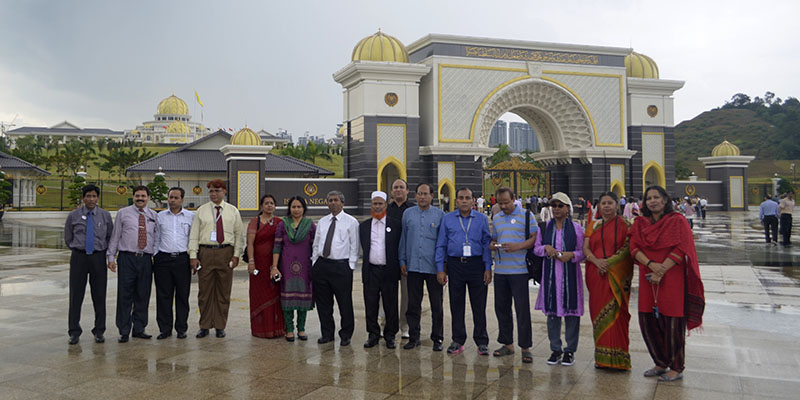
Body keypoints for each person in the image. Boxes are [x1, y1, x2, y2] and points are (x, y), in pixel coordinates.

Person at [630, 185, 704, 382]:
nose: (652, 201)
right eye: (648, 198)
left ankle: (677, 366)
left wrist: (662, 268)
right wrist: (652, 265)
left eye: (656, 197)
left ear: (665, 200)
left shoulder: (677, 221)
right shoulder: (640, 223)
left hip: (672, 278)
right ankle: (660, 362)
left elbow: (683, 246)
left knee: (672, 323)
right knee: (648, 322)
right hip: (648, 278)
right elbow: (633, 247)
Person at [435, 187, 492, 355]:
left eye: (468, 197)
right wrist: (440, 268)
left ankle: (482, 341)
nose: (465, 201)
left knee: (479, 305)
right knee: (456, 303)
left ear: (473, 200)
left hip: (476, 265)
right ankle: (458, 340)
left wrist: (488, 267)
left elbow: (486, 245)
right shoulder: (448, 219)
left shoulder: (481, 219)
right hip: (455, 265)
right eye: (461, 198)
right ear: (456, 201)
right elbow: (441, 244)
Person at [582, 192, 633, 370]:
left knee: (617, 316)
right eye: (603, 203)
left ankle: (620, 359)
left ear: (616, 205)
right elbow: (586, 248)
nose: (606, 206)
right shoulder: (593, 226)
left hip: (616, 275)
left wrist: (608, 263)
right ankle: (602, 359)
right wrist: (597, 262)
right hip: (596, 273)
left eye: (610, 202)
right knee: (598, 313)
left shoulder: (626, 225)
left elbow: (628, 249)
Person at [188, 179, 244, 339]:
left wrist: (236, 255)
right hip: (205, 253)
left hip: (225, 252)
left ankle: (220, 325)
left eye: (217, 191)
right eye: (211, 191)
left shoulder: (233, 211)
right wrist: (193, 256)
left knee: (223, 292)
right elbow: (194, 235)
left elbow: (239, 235)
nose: (214, 194)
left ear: (224, 192)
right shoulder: (201, 211)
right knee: (204, 292)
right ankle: (204, 325)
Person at [534, 192, 584, 366]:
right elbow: (536, 249)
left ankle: (570, 351)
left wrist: (571, 255)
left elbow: (583, 252)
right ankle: (555, 349)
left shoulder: (577, 229)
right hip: (551, 276)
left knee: (572, 315)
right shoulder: (545, 227)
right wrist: (546, 248)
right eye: (553, 205)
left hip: (570, 276)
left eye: (560, 206)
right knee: (553, 314)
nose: (556, 209)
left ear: (568, 209)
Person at [490, 188, 537, 363]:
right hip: (501, 270)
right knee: (502, 308)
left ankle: (525, 347)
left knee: (522, 309)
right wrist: (493, 245)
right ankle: (507, 343)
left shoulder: (526, 216)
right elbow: (494, 239)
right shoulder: (497, 218)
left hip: (519, 270)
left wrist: (518, 246)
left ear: (514, 199)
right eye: (500, 203)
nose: (503, 206)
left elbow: (534, 238)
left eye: (506, 202)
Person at [107, 185, 158, 343]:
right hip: (127, 258)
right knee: (125, 294)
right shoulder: (123, 213)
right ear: (133, 197)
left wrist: (155, 257)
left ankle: (139, 328)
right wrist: (111, 257)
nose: (140, 198)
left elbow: (156, 238)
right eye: (137, 196)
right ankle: (123, 329)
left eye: (143, 196)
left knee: (143, 294)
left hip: (145, 259)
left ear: (148, 198)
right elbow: (115, 236)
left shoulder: (154, 215)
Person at [64, 184, 113, 345]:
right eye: (88, 196)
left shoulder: (105, 216)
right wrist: (78, 248)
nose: (91, 199)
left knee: (99, 295)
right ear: (83, 198)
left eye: (94, 196)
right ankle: (74, 331)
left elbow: (109, 236)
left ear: (98, 198)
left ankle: (99, 330)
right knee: (76, 295)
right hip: (79, 257)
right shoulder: (73, 216)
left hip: (98, 258)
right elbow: (68, 237)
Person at [399, 183, 446, 351]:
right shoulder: (408, 214)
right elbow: (403, 239)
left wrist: (442, 267)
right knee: (413, 304)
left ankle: (437, 338)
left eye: (425, 194)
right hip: (413, 266)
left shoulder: (440, 216)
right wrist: (402, 260)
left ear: (432, 196)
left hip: (433, 267)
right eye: (419, 194)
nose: (422, 197)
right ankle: (414, 336)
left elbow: (443, 243)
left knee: (436, 305)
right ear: (415, 195)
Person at [311, 190, 359, 346]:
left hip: (341, 267)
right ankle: (327, 333)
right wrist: (314, 262)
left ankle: (346, 334)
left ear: (342, 203)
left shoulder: (351, 222)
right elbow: (316, 243)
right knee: (324, 304)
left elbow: (355, 246)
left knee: (344, 303)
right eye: (330, 200)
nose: (333, 202)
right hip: (322, 265)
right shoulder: (322, 221)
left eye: (336, 200)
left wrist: (350, 266)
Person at [360, 191, 403, 348]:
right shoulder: (364, 226)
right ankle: (373, 334)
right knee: (370, 304)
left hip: (389, 270)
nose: (377, 207)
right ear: (371, 205)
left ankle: (390, 335)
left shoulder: (395, 225)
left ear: (386, 205)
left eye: (380, 204)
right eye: (374, 204)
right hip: (371, 271)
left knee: (390, 304)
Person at [152, 187, 195, 340]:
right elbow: (156, 237)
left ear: (182, 199)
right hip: (163, 259)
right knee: (164, 295)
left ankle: (181, 328)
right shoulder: (160, 216)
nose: (173, 200)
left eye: (176, 198)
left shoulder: (190, 216)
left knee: (182, 295)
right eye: (171, 197)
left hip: (182, 259)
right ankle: (165, 328)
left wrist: (192, 257)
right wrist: (156, 254)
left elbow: (192, 238)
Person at [272, 196, 316, 342]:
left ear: (304, 208)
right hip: (286, 266)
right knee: (287, 297)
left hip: (305, 267)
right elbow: (277, 247)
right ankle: (289, 329)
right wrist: (274, 267)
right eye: (293, 207)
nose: (296, 210)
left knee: (303, 296)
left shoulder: (310, 225)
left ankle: (301, 328)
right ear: (289, 209)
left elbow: (315, 247)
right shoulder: (283, 224)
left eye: (299, 207)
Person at [245, 194, 285, 339]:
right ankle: (260, 329)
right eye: (266, 203)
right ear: (261, 206)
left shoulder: (280, 222)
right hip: (258, 265)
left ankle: (277, 329)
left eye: (272, 203)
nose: (269, 206)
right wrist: (251, 262)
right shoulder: (255, 222)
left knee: (275, 294)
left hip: (275, 264)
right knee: (259, 296)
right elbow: (250, 244)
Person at [387, 179, 413, 339]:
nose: (398, 190)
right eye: (395, 187)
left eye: (401, 187)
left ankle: (405, 326)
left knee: (406, 295)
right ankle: (386, 324)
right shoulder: (385, 209)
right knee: (388, 294)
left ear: (407, 191)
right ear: (391, 191)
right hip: (389, 257)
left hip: (407, 258)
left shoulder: (412, 210)